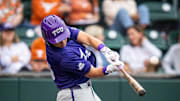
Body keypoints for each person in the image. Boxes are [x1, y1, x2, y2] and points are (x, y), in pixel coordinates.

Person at [41, 15, 124, 101]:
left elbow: (87, 38)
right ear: (48, 40)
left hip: (83, 90)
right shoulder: (62, 57)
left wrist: (105, 50)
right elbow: (93, 73)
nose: (62, 42)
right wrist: (110, 68)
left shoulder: (60, 31)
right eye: (58, 40)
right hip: (74, 94)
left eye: (63, 37)